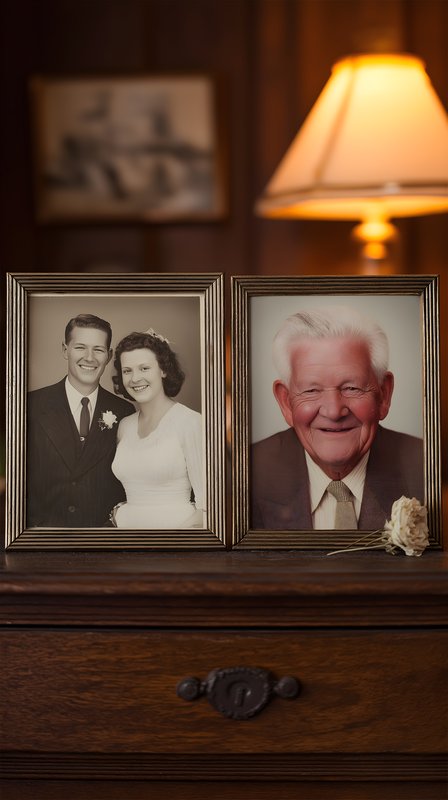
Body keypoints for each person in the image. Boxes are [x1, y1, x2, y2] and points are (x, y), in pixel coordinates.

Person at [251, 306, 424, 531]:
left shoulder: (429, 469)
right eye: (311, 390)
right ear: (285, 402)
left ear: (384, 395)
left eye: (352, 388)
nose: (333, 411)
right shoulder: (244, 474)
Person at [27, 314, 134, 528]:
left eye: (98, 349)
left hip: (101, 544)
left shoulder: (124, 411)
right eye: (80, 347)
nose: (89, 358)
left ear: (109, 355)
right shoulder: (30, 405)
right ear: (65, 350)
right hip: (40, 541)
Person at [110, 329, 204, 529]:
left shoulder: (190, 422)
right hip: (123, 541)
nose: (135, 379)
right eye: (127, 371)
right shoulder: (124, 426)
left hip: (173, 545)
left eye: (144, 368)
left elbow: (209, 511)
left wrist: (164, 546)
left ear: (163, 370)